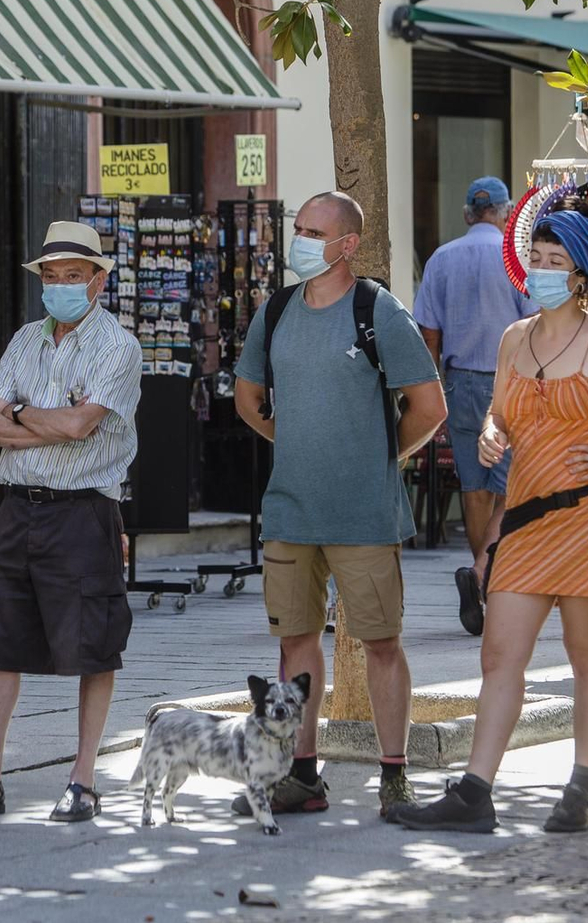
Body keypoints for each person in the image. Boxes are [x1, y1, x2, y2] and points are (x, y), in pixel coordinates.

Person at [390, 196, 588, 834]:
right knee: (499, 656)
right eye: (535, 257)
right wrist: (490, 432)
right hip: (526, 516)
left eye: (556, 260)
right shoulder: (513, 337)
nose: (541, 269)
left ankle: (581, 789)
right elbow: (502, 414)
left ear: (583, 273)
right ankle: (476, 792)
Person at [233, 191, 448, 818]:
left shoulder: (378, 311)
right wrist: (297, 440)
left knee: (381, 641)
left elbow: (428, 408)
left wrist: (380, 456)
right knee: (294, 646)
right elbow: (250, 401)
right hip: (291, 511)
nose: (297, 239)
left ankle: (394, 775)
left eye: (311, 230)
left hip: (363, 513)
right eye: (297, 228)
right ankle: (301, 775)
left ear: (346, 245)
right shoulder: (273, 311)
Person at [0, 221, 141, 824]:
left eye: (74, 275)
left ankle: (84, 778)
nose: (61, 285)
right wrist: (37, 416)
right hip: (18, 508)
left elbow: (80, 427)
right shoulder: (24, 339)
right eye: (51, 275)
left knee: (93, 647)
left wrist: (20, 415)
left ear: (98, 280)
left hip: (83, 510)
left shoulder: (118, 347)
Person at [413, 176, 536, 636]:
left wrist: (432, 389)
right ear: (506, 213)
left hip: (459, 382)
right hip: (511, 382)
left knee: (473, 486)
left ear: (468, 213)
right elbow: (534, 325)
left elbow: (428, 333)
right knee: (511, 486)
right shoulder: (516, 257)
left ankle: (481, 574)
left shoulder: (443, 258)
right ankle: (488, 575)